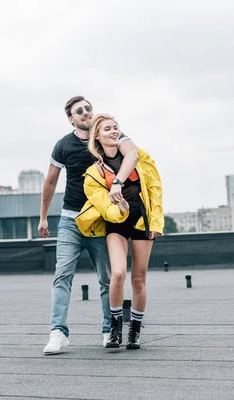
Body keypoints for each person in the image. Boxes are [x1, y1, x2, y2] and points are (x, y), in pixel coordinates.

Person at [40, 96, 140, 355]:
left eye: (88, 108)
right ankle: (58, 333)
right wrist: (43, 217)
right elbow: (51, 181)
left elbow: (132, 154)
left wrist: (117, 181)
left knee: (107, 277)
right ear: (71, 118)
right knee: (62, 274)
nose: (86, 113)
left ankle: (109, 330)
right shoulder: (63, 145)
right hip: (71, 219)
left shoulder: (107, 134)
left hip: (100, 219)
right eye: (79, 111)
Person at [75, 113, 164, 350]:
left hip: (142, 220)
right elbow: (105, 208)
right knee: (117, 274)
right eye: (107, 129)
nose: (114, 131)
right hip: (117, 222)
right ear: (97, 136)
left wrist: (155, 222)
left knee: (139, 278)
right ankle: (115, 327)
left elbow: (154, 190)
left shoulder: (136, 157)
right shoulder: (94, 173)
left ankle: (134, 329)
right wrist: (121, 209)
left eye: (116, 128)